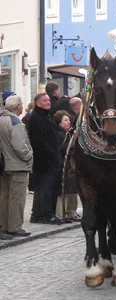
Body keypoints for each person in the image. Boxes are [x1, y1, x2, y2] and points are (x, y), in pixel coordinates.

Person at [0, 95, 33, 239]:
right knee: (17, 198)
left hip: (4, 165)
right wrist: (29, 156)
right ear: (18, 106)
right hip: (17, 165)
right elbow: (20, 146)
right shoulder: (15, 122)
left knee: (4, 197)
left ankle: (4, 226)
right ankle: (14, 227)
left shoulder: (1, 119)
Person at [28, 93, 63, 225]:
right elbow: (39, 141)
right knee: (44, 188)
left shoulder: (46, 115)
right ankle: (43, 214)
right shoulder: (36, 118)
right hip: (44, 160)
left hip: (51, 159)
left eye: (49, 100)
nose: (49, 102)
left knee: (49, 187)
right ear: (38, 103)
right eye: (45, 100)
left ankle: (46, 213)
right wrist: (51, 152)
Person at [53, 110, 80, 222]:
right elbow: (63, 148)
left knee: (72, 189)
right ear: (59, 122)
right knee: (64, 190)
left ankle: (71, 212)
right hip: (62, 164)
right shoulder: (59, 133)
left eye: (69, 120)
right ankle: (61, 214)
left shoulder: (68, 133)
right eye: (65, 120)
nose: (68, 122)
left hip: (71, 165)